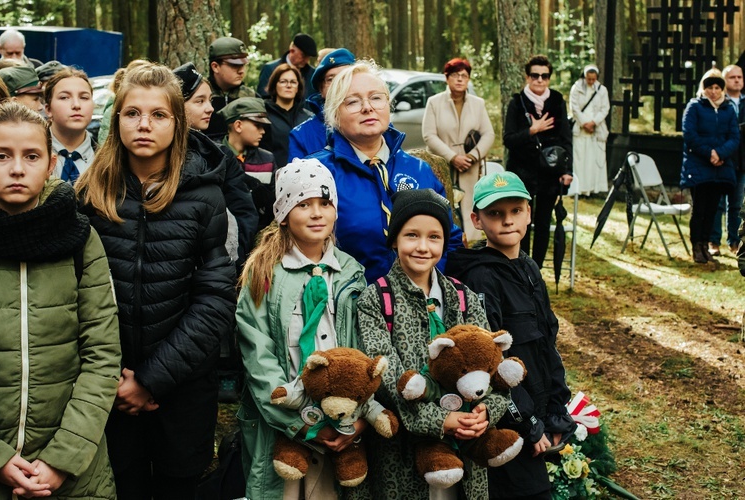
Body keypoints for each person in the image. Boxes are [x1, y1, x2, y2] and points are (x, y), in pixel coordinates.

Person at [75, 63, 237, 499]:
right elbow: (75, 295)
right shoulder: (91, 193)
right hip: (105, 387)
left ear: (177, 123)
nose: (144, 124)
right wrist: (113, 380)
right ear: (116, 120)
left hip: (181, 389)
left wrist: (150, 380)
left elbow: (215, 298)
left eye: (158, 114)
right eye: (132, 113)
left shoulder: (205, 196)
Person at [0, 101, 120, 499]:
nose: (17, 168)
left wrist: (63, 459)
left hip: (74, 469)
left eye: (30, 156)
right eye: (1, 156)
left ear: (50, 164)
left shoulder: (79, 240)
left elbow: (102, 354)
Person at [356, 188, 508, 499]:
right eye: (412, 235)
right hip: (402, 453)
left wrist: (485, 414)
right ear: (395, 239)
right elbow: (386, 374)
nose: (423, 247)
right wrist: (440, 420)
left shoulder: (463, 297)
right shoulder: (377, 299)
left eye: (434, 237)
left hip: (465, 449)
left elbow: (495, 368)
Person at [235, 158, 367, 500]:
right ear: (282, 213)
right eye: (303, 204)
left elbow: (362, 348)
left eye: (325, 203)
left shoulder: (351, 273)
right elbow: (257, 352)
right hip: (284, 424)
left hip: (339, 421)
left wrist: (357, 417)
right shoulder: (264, 272)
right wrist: (297, 424)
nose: (316, 213)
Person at [446, 171, 576, 499]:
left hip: (540, 414)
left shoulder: (529, 268)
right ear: (476, 219)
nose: (507, 221)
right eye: (495, 213)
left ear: (529, 213)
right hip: (508, 424)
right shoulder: (481, 278)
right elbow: (491, 364)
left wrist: (556, 413)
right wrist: (529, 423)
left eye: (516, 211)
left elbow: (547, 344)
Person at [310, 60, 463, 283]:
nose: (367, 107)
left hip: (419, 304)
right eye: (352, 101)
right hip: (347, 306)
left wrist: (425, 285)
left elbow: (451, 238)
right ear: (334, 114)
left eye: (376, 97)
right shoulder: (318, 172)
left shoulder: (418, 170)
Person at [173, 61, 260, 266]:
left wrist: (231, 258)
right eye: (199, 101)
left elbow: (244, 211)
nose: (210, 108)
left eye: (210, 100)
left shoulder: (219, 156)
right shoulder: (155, 154)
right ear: (176, 105)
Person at [503, 54, 573, 268]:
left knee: (543, 222)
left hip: (549, 174)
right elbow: (508, 139)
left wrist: (567, 170)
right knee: (522, 223)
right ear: (527, 77)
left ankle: (537, 270)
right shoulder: (517, 103)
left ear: (549, 78)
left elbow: (566, 138)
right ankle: (521, 268)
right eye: (535, 75)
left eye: (544, 76)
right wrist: (532, 130)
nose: (539, 80)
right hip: (521, 172)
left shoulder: (557, 101)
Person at [422, 57, 495, 243]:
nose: (460, 79)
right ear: (447, 78)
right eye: (455, 75)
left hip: (470, 167)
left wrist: (472, 156)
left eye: (464, 75)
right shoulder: (434, 102)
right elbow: (429, 135)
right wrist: (452, 157)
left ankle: (470, 248)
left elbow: (488, 134)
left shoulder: (478, 104)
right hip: (442, 165)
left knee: (470, 207)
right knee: (442, 205)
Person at [681, 69, 740, 264]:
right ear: (703, 88)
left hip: (720, 167)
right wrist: (710, 153)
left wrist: (721, 153)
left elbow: (734, 137)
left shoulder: (728, 109)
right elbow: (690, 135)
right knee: (700, 207)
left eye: (717, 87)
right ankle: (697, 244)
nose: (713, 91)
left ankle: (706, 243)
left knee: (713, 208)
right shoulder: (694, 107)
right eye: (710, 87)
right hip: (699, 164)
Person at [220, 96, 277, 232]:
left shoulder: (267, 159)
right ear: (238, 125)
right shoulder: (215, 157)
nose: (262, 131)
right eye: (257, 125)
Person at [289, 48, 356, 160]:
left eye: (345, 77)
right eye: (331, 79)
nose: (338, 84)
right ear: (321, 89)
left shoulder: (376, 125)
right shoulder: (302, 135)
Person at [710, 64, 745, 256]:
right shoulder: (719, 103)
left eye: (740, 77)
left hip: (742, 161)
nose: (737, 80)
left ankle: (734, 241)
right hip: (722, 160)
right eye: (733, 77)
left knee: (737, 204)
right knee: (717, 203)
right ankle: (713, 241)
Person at [43, 67, 95, 184]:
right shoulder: (32, 154)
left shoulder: (107, 159)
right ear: (48, 109)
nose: (76, 105)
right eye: (64, 97)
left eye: (84, 97)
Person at [261, 64, 313, 168]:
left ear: (298, 87)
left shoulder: (309, 118)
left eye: (293, 82)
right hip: (272, 176)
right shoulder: (263, 115)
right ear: (275, 85)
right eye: (283, 81)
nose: (288, 85)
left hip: (304, 178)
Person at [569, 64, 610, 196]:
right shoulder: (576, 88)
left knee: (593, 161)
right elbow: (574, 107)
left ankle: (593, 189)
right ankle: (579, 188)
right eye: (589, 78)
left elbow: (605, 108)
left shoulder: (602, 90)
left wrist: (594, 122)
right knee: (580, 160)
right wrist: (584, 123)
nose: (591, 81)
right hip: (581, 129)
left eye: (593, 79)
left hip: (595, 130)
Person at [206, 36, 257, 142]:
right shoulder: (199, 96)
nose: (241, 71)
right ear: (215, 66)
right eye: (235, 65)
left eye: (243, 65)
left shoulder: (251, 98)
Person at [257, 33, 318, 99]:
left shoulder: (312, 74)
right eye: (303, 56)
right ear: (292, 51)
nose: (306, 60)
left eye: (308, 57)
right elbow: (262, 98)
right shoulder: (270, 69)